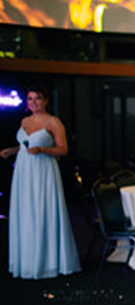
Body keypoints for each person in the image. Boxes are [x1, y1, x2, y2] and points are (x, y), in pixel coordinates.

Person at [0, 85, 81, 279]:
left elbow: (63, 150)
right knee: (26, 212)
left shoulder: (53, 122)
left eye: (37, 98)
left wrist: (42, 151)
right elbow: (24, 145)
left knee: (43, 210)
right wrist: (12, 151)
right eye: (30, 99)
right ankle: (27, 260)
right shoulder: (24, 121)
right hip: (24, 171)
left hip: (44, 171)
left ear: (45, 101)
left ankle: (48, 261)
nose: (33, 102)